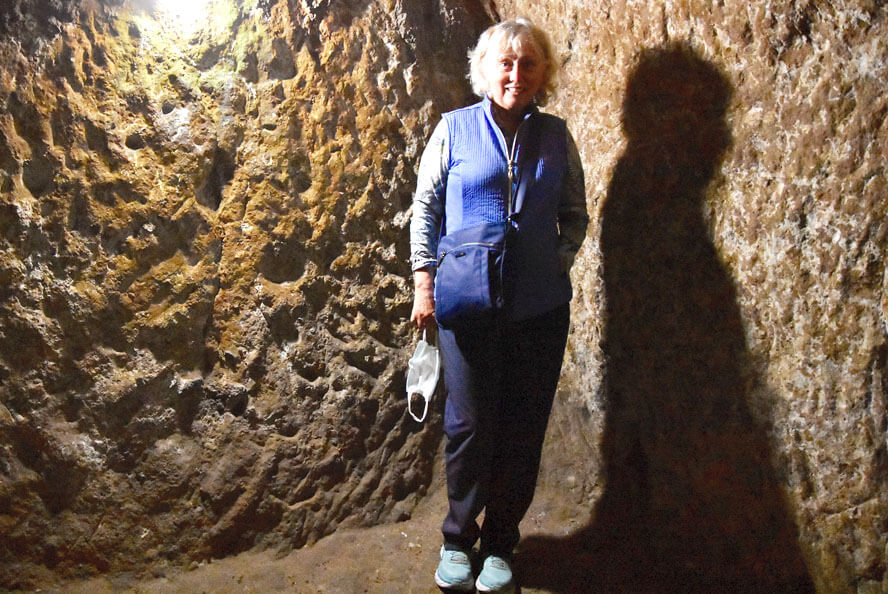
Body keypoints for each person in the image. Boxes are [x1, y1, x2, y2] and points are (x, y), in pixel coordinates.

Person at [408, 17, 588, 593]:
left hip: (539, 311)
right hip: (467, 305)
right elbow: (426, 209)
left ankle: (500, 544)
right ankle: (457, 539)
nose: (516, 74)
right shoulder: (453, 130)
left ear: (543, 72)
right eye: (505, 63)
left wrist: (551, 264)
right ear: (484, 70)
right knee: (469, 425)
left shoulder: (556, 136)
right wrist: (424, 284)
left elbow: (575, 214)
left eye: (528, 63)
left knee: (522, 427)